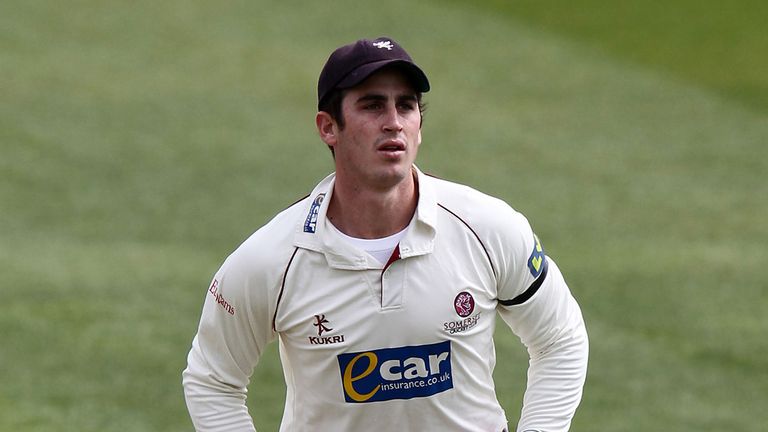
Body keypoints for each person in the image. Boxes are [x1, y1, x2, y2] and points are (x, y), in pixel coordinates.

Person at [183, 36, 588, 432]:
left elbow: (560, 338)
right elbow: (212, 381)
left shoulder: (487, 227)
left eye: (406, 105)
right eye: (372, 105)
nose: (393, 122)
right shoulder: (271, 259)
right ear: (328, 127)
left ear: (419, 126)